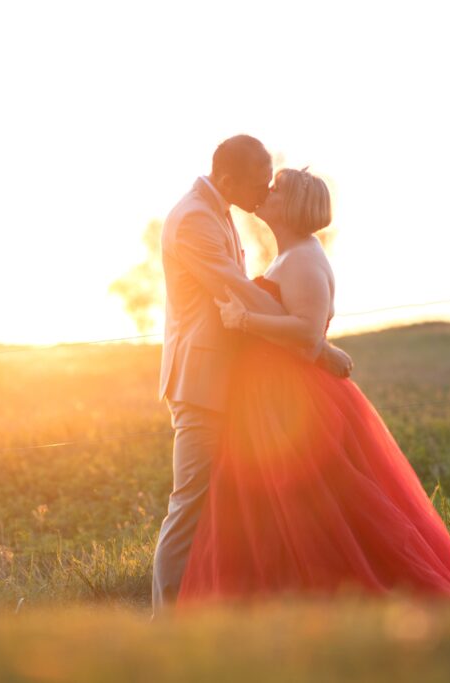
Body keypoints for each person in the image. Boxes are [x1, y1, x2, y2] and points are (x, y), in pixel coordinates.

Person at [176, 167, 450, 612]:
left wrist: (244, 321)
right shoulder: (288, 256)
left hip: (294, 399)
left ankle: (342, 595)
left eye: (275, 190)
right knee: (276, 505)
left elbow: (306, 332)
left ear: (292, 205)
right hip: (270, 398)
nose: (265, 193)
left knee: (321, 503)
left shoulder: (304, 260)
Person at [152, 135, 353, 616]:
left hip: (231, 382)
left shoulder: (218, 210)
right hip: (200, 381)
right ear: (226, 180)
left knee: (235, 505)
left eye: (271, 184)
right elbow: (235, 289)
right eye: (259, 183)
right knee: (190, 505)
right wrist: (316, 344)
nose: (264, 193)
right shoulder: (195, 220)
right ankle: (164, 623)